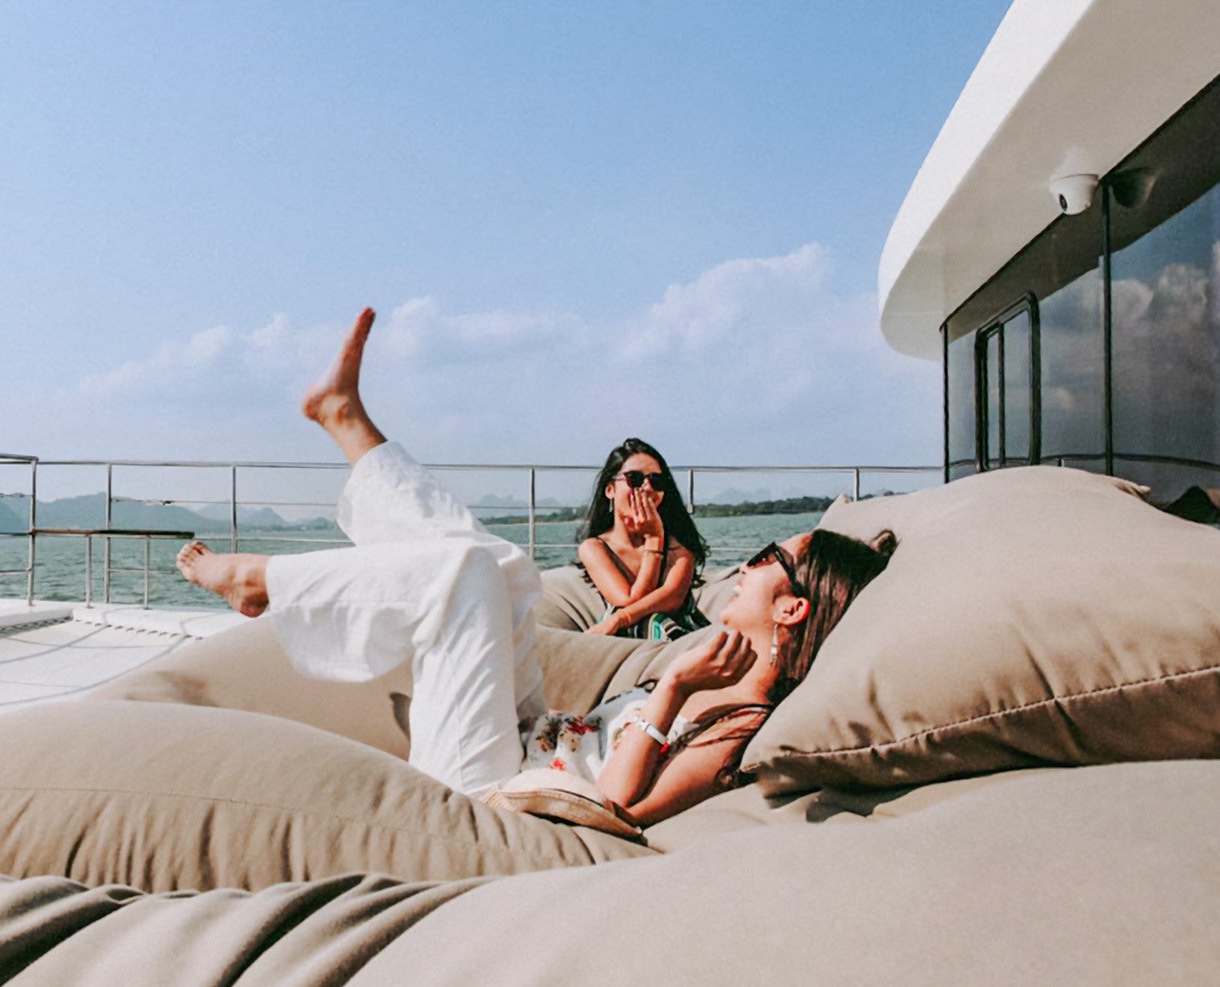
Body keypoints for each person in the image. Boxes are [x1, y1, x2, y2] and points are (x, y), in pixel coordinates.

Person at [177, 307, 896, 826]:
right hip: (528, 737)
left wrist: (671, 688)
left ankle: (264, 582)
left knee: (464, 576)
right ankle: (347, 424)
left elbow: (623, 806)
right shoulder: (727, 670)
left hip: (489, 789)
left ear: (792, 607)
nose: (752, 560)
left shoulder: (743, 721)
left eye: (773, 558)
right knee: (507, 568)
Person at [576, 438, 709, 640]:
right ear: (610, 489)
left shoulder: (678, 544)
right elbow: (628, 601)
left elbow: (673, 597)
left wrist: (655, 538)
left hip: (680, 634)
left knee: (655, 623)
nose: (647, 488)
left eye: (656, 481)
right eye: (635, 479)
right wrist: (654, 539)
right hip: (626, 636)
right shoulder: (595, 547)